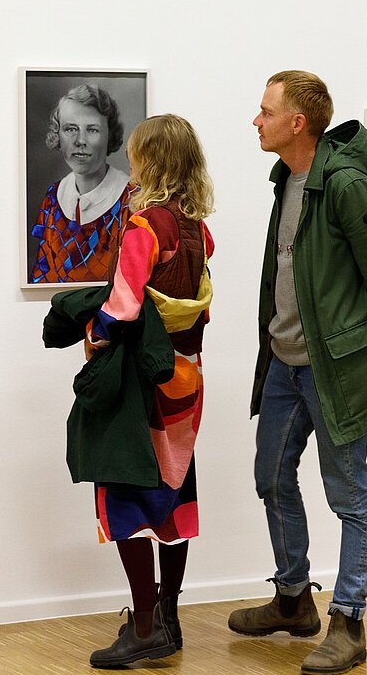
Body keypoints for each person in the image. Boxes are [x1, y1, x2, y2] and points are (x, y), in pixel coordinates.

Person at [228, 71, 367, 674]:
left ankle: (349, 621)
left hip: (331, 371)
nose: (256, 120)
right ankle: (293, 600)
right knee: (271, 477)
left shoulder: (346, 185)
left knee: (348, 494)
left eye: (266, 111)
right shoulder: (285, 180)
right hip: (284, 364)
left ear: (297, 122)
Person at [84, 114, 215, 668]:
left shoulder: (145, 228)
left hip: (142, 383)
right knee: (173, 490)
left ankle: (142, 627)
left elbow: (122, 308)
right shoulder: (196, 229)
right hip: (185, 379)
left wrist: (91, 336)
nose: (129, 162)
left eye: (136, 154)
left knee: (127, 487)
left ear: (152, 162)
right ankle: (168, 619)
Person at [31, 83, 136, 284]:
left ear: (109, 136)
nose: (80, 141)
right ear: (58, 134)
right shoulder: (54, 197)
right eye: (71, 129)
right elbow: (41, 277)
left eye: (92, 130)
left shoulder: (132, 199)